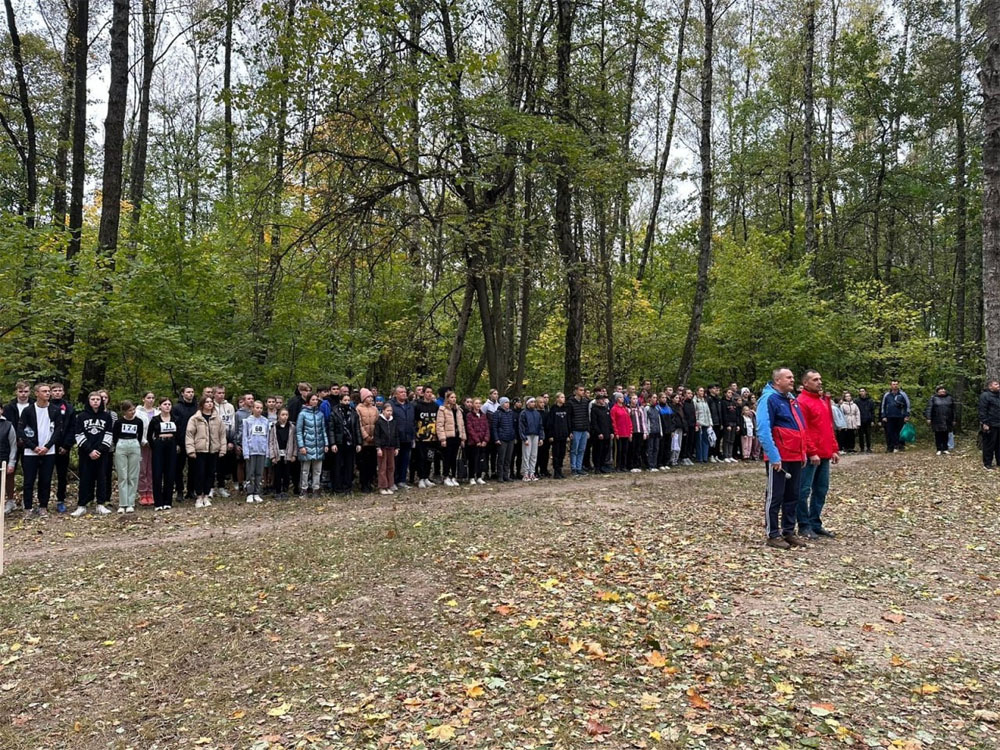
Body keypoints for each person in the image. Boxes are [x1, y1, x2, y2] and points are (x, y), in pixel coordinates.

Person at [756, 368, 808, 550]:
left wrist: (803, 452)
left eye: (793, 377)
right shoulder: (769, 399)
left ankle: (789, 531)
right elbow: (763, 429)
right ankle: (772, 534)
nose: (793, 380)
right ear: (778, 380)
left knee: (793, 495)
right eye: (789, 377)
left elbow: (800, 428)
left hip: (795, 456)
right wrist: (773, 456)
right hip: (779, 457)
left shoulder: (791, 400)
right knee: (775, 495)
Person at [796, 371, 840, 540]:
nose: (819, 382)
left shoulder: (822, 401)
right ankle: (804, 525)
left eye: (820, 379)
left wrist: (834, 448)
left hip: (825, 453)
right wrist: (811, 451)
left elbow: (828, 426)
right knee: (804, 490)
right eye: (815, 380)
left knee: (821, 489)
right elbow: (803, 430)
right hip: (812, 455)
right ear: (806, 383)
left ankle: (815, 523)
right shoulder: (802, 402)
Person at [18, 383, 63, 517]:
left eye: (49, 391)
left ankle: (43, 506)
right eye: (44, 391)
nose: (48, 393)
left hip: (48, 451)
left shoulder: (55, 410)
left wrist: (47, 446)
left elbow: (58, 431)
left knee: (45, 480)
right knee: (29, 481)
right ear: (36, 393)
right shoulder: (28, 410)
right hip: (31, 452)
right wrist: (33, 446)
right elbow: (20, 430)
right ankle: (28, 508)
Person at [71, 392, 114, 517]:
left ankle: (101, 504)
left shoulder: (107, 416)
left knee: (102, 478)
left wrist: (99, 450)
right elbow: (78, 434)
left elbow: (109, 434)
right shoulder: (81, 416)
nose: (95, 401)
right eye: (93, 399)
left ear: (101, 401)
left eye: (98, 399)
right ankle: (82, 505)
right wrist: (89, 450)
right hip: (85, 453)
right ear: (88, 401)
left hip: (102, 453)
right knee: (85, 479)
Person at [185, 395, 227, 509]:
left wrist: (223, 449)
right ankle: (199, 496)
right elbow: (189, 435)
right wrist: (190, 450)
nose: (209, 404)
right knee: (199, 473)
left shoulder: (217, 419)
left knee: (210, 473)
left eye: (211, 402)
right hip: (200, 450)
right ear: (202, 404)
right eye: (207, 402)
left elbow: (222, 434)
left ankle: (206, 495)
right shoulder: (195, 418)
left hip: (213, 450)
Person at [146, 396, 179, 510]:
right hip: (159, 446)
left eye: (169, 404)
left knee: (170, 473)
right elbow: (149, 435)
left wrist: (177, 444)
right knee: (157, 473)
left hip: (171, 445)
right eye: (165, 404)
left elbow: (178, 433)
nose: (167, 406)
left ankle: (168, 501)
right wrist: (154, 446)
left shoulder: (175, 418)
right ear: (160, 406)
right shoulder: (155, 419)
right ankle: (158, 502)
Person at [113, 400, 144, 513]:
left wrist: (136, 444)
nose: (132, 412)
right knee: (122, 475)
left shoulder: (138, 422)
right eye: (130, 410)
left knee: (133, 475)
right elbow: (115, 436)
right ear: (124, 411)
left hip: (134, 445)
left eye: (133, 410)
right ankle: (123, 503)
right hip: (121, 445)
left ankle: (131, 502)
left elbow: (139, 436)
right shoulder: (119, 422)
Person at [49, 382, 75, 513]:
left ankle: (61, 500)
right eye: (55, 390)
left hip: (63, 446)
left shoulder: (69, 407)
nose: (57, 392)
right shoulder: (45, 406)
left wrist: (66, 445)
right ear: (50, 392)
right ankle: (44, 502)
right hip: (47, 446)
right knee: (45, 475)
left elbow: (72, 428)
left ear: (63, 392)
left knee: (62, 475)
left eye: (60, 390)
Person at [328, 392, 361, 494]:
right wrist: (333, 443)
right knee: (337, 466)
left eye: (348, 400)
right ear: (340, 401)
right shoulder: (334, 412)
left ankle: (348, 487)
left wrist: (359, 443)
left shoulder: (353, 412)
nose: (347, 402)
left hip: (350, 443)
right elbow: (331, 429)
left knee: (349, 466)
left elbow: (357, 429)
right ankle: (337, 488)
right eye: (345, 400)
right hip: (339, 442)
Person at [296, 393, 329, 495]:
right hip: (306, 445)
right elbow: (299, 431)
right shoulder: (302, 414)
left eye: (316, 400)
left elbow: (323, 430)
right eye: (313, 399)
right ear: (309, 401)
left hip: (319, 445)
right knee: (305, 470)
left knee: (317, 470)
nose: (315, 401)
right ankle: (304, 488)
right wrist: (301, 446)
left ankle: (316, 488)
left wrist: (326, 444)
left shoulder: (320, 414)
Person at [173, 386, 198, 503]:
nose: (190, 394)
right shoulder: (176, 408)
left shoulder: (197, 407)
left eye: (192, 392)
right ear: (182, 394)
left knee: (193, 468)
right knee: (179, 468)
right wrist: (176, 442)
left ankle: (191, 490)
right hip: (181, 442)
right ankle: (179, 491)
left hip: (194, 442)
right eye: (188, 392)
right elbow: (174, 426)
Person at [242, 400, 270, 503]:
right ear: (252, 409)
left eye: (261, 408)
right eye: (257, 408)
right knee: (250, 473)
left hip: (261, 451)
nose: (259, 410)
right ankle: (249, 493)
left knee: (259, 473)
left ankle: (257, 492)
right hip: (251, 451)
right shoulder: (247, 421)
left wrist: (267, 452)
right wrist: (246, 452)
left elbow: (267, 437)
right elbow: (245, 437)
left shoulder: (265, 421)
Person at [436, 391, 466, 486]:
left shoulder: (458, 410)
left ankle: (453, 476)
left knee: (454, 458)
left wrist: (463, 438)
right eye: (452, 397)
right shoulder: (442, 410)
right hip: (448, 437)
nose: (454, 399)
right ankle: (446, 476)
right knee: (447, 458)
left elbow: (462, 425)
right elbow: (439, 425)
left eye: (455, 397)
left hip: (457, 436)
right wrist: (442, 439)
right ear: (447, 398)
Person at [269, 407, 298, 499]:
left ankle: (285, 491)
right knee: (277, 473)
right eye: (282, 415)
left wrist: (294, 454)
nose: (284, 417)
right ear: (278, 416)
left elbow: (294, 442)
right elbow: (271, 441)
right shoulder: (274, 427)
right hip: (277, 454)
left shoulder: (292, 427)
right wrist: (272, 455)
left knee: (286, 473)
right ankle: (277, 491)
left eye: (286, 415)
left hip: (288, 454)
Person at [414, 387, 440, 488]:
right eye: (427, 392)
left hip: (432, 438)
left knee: (430, 458)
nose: (429, 394)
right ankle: (420, 478)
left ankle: (426, 477)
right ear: (423, 393)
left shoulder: (435, 406)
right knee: (421, 458)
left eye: (431, 392)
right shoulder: (418, 406)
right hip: (420, 437)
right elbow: (414, 420)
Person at [390, 386, 415, 489]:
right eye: (401, 392)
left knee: (405, 460)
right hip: (396, 437)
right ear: (396, 394)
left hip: (408, 437)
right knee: (395, 460)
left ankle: (402, 480)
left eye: (405, 392)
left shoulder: (410, 406)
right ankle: (393, 481)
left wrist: (413, 436)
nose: (404, 394)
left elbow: (412, 422)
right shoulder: (391, 405)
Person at [136, 391, 157, 506]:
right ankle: (143, 493)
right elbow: (138, 429)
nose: (151, 400)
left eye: (153, 398)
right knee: (143, 469)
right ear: (143, 399)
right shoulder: (138, 413)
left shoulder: (157, 412)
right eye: (148, 398)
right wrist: (143, 441)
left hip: (155, 444)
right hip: (142, 444)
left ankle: (151, 492)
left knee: (152, 469)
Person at [375, 401, 400, 495]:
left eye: (391, 411)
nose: (389, 413)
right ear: (383, 411)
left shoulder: (394, 422)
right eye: (387, 411)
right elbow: (377, 436)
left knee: (391, 467)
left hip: (391, 447)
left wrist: (397, 447)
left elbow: (396, 435)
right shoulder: (379, 422)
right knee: (382, 467)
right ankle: (382, 486)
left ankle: (390, 485)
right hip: (383, 447)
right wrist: (378, 448)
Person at [357, 388, 379, 493]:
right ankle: (364, 484)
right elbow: (359, 424)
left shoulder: (375, 409)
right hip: (364, 442)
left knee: (372, 463)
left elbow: (378, 423)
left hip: (374, 441)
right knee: (364, 464)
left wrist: (375, 436)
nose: (370, 398)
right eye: (368, 397)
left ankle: (371, 482)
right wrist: (366, 436)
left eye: (371, 396)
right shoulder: (358, 409)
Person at [879, 380, 911, 453]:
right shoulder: (887, 395)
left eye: (896, 384)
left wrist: (907, 415)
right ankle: (890, 447)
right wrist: (883, 416)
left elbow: (907, 405)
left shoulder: (903, 394)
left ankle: (900, 446)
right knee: (890, 432)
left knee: (900, 432)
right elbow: (883, 406)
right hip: (889, 416)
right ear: (891, 385)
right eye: (893, 384)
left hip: (900, 416)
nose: (895, 386)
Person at [924, 386, 956, 456]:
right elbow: (929, 408)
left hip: (947, 419)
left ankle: (945, 448)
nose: (942, 391)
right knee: (938, 434)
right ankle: (938, 449)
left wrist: (954, 419)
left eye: (943, 389)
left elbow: (953, 409)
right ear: (937, 391)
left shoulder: (950, 398)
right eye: (941, 390)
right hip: (937, 419)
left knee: (946, 434)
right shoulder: (933, 398)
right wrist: (928, 418)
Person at [545, 392, 570, 479]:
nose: (563, 399)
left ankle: (560, 470)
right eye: (561, 397)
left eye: (564, 397)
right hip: (555, 435)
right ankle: (556, 471)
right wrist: (550, 435)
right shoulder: (553, 409)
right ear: (557, 399)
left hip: (564, 434)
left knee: (562, 454)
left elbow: (568, 422)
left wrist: (568, 433)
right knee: (556, 453)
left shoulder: (566, 409)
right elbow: (550, 423)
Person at [465, 398, 490, 485]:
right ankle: (471, 477)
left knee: (481, 459)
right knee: (472, 460)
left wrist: (485, 440)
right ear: (473, 405)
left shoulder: (483, 415)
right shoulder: (469, 415)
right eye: (476, 403)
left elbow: (487, 428)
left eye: (479, 403)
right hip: (473, 442)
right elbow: (470, 429)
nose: (478, 405)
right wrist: (477, 440)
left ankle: (479, 476)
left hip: (483, 441)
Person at [519, 397, 544, 481]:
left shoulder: (537, 413)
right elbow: (521, 427)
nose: (533, 403)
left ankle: (532, 473)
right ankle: (525, 473)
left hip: (536, 435)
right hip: (527, 435)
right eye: (531, 402)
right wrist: (524, 438)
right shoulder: (523, 413)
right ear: (527, 403)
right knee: (526, 455)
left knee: (534, 455)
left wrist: (541, 437)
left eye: (534, 402)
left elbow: (540, 426)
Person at [568, 385, 590, 476]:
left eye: (583, 390)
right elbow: (569, 418)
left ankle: (579, 467)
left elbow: (587, 416)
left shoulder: (585, 402)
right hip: (575, 429)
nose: (582, 392)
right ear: (576, 391)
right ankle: (573, 468)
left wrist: (588, 430)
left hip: (584, 429)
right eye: (580, 390)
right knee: (574, 450)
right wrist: (570, 431)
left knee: (582, 449)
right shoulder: (570, 403)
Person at [979, 379, 1000, 469]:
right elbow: (982, 410)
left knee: (999, 445)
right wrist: (985, 423)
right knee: (989, 445)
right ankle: (987, 463)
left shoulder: (998, 396)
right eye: (996, 384)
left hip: (999, 424)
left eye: (998, 384)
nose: (998, 386)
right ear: (990, 386)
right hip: (990, 424)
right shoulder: (985, 395)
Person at [590, 393, 613, 474]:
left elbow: (609, 421)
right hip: (599, 434)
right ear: (597, 400)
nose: (603, 401)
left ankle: (602, 466)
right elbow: (594, 423)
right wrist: (598, 432)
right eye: (601, 399)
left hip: (607, 433)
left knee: (605, 450)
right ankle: (597, 467)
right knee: (598, 451)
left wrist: (611, 432)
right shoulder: (594, 409)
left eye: (604, 399)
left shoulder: (606, 409)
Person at [610, 393, 632, 473]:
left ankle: (623, 465)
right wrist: (616, 432)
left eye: (623, 397)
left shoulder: (625, 408)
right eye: (620, 397)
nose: (622, 399)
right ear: (617, 399)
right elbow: (613, 421)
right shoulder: (614, 409)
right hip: (619, 433)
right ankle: (617, 466)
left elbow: (629, 421)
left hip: (626, 433)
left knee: (624, 450)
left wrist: (630, 432)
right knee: (618, 450)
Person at [693, 388, 712, 463]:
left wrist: (710, 423)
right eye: (700, 391)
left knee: (706, 440)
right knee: (699, 441)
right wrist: (697, 423)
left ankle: (705, 457)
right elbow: (694, 413)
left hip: (706, 423)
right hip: (699, 423)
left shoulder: (705, 401)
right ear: (697, 392)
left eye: (703, 391)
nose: (702, 392)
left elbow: (708, 412)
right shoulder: (695, 401)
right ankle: (699, 458)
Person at [721, 388, 741, 463]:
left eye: (731, 393)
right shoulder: (723, 402)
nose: (730, 394)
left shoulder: (734, 403)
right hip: (728, 423)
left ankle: (730, 455)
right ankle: (725, 455)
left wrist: (738, 424)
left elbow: (737, 414)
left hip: (734, 423)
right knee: (726, 439)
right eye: (728, 392)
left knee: (732, 440)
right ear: (725, 393)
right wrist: (726, 424)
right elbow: (724, 414)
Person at [644, 397, 663, 471]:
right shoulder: (647, 408)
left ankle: (654, 465)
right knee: (650, 448)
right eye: (654, 398)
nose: (655, 399)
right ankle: (650, 465)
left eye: (656, 398)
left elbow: (659, 420)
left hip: (657, 430)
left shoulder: (657, 409)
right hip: (650, 431)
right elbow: (645, 420)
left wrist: (661, 431)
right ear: (650, 399)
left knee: (656, 448)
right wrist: (646, 431)